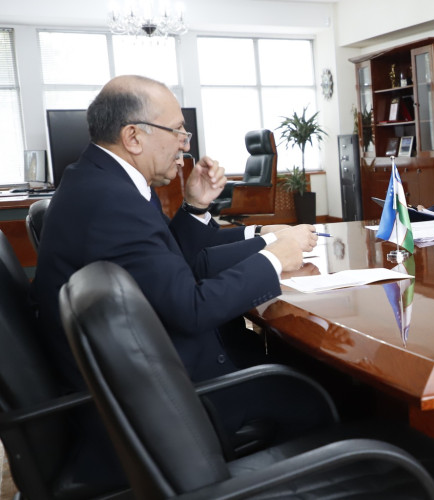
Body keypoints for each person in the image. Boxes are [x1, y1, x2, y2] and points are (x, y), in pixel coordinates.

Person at [31, 74, 320, 487]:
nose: (185, 144)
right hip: (160, 401)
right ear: (133, 136)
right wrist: (274, 259)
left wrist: (195, 206)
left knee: (289, 361)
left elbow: (166, 262)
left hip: (143, 374)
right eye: (177, 131)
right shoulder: (112, 202)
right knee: (317, 389)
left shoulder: (100, 180)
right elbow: (191, 307)